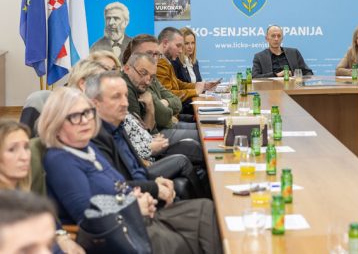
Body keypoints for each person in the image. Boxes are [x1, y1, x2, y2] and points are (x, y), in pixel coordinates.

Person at [38, 87, 222, 254]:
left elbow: (119, 184)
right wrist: (132, 206)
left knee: (205, 209)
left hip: (134, 219)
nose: (85, 120)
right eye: (75, 116)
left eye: (87, 113)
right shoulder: (59, 159)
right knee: (189, 237)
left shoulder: (88, 148)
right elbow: (87, 214)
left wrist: (141, 197)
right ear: (56, 124)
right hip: (113, 234)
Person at [86, 71, 207, 200]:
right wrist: (153, 186)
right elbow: (115, 184)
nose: (125, 103)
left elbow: (167, 110)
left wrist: (151, 107)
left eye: (125, 96)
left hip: (151, 146)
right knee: (189, 151)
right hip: (147, 161)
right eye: (116, 97)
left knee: (196, 144)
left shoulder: (118, 125)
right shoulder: (99, 134)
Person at [0, 120, 84, 254]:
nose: (24, 157)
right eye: (12, 149)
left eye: (26, 147)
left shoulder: (24, 194)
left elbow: (53, 227)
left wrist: (62, 237)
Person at [156, 27, 218, 113]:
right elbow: (168, 94)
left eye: (193, 43)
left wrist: (201, 86)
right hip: (174, 114)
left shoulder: (166, 61)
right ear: (165, 43)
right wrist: (195, 91)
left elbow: (178, 83)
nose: (181, 50)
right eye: (178, 46)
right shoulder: (159, 63)